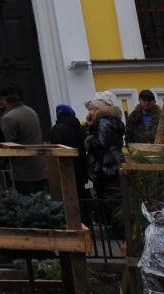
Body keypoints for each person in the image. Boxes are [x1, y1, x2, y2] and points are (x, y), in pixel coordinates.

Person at [84, 94, 126, 237]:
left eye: (92, 109)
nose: (90, 112)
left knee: (110, 198)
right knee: (115, 197)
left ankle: (118, 229)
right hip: (114, 162)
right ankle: (118, 228)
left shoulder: (102, 122)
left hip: (106, 165)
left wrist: (89, 139)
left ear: (100, 109)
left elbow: (101, 143)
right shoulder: (112, 120)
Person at [0, 87, 46, 196]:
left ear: (4, 101)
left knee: (23, 204)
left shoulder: (9, 118)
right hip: (37, 168)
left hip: (20, 171)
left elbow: (6, 145)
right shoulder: (31, 111)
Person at [49, 104, 87, 191]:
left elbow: (56, 150)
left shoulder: (57, 129)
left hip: (66, 169)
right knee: (82, 193)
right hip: (81, 167)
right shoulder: (80, 127)